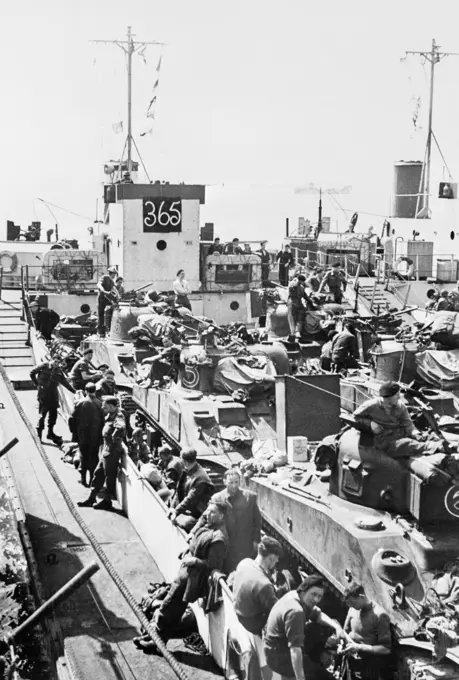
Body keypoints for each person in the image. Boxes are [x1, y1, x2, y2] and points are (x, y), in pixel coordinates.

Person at [134, 499, 229, 651]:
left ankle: (157, 642)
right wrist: (188, 550)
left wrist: (194, 560)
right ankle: (152, 635)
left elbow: (213, 565)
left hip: (192, 580)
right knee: (167, 604)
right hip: (184, 574)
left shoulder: (219, 538)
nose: (207, 513)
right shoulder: (207, 525)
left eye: (212, 512)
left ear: (221, 516)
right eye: (208, 509)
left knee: (172, 609)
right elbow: (198, 542)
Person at [264, 575, 347, 680]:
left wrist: (337, 627)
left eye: (320, 596)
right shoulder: (295, 612)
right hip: (280, 657)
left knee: (328, 626)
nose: (316, 599)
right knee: (319, 675)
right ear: (303, 591)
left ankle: (317, 655)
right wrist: (301, 677)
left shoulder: (295, 595)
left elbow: (317, 614)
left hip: (276, 647)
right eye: (314, 594)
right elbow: (295, 650)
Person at [191, 468, 261, 574]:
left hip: (244, 543)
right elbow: (205, 516)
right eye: (231, 482)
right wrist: (192, 532)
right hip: (225, 542)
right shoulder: (217, 498)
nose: (234, 485)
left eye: (236, 482)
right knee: (226, 569)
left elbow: (257, 521)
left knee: (243, 570)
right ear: (224, 481)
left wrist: (256, 540)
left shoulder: (250, 497)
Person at [233, 537, 283, 680]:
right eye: (275, 561)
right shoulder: (264, 584)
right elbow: (275, 613)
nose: (276, 564)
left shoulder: (244, 563)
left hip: (239, 612)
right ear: (270, 558)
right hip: (253, 625)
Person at [353, 380, 445, 459]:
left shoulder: (400, 406)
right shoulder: (371, 405)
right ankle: (434, 447)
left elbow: (408, 425)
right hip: (385, 440)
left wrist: (416, 433)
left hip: (400, 434)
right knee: (407, 444)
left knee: (428, 436)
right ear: (387, 397)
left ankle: (445, 445)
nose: (399, 396)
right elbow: (355, 417)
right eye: (396, 395)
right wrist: (371, 423)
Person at [77, 396, 127, 511]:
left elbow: (121, 427)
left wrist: (114, 437)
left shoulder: (118, 416)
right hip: (106, 450)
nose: (103, 407)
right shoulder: (110, 415)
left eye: (105, 405)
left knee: (109, 477)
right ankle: (92, 498)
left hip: (112, 452)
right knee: (98, 473)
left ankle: (107, 501)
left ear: (111, 406)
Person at [342, 583, 392, 680]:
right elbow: (345, 631)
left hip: (369, 662)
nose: (351, 606)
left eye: (353, 603)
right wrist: (343, 642)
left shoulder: (379, 615)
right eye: (349, 604)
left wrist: (359, 647)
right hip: (352, 658)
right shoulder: (352, 609)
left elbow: (386, 649)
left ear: (362, 596)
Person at [30, 358, 76, 443]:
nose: (56, 363)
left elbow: (65, 382)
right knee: (42, 415)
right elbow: (32, 373)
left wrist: (74, 391)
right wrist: (38, 384)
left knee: (53, 415)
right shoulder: (44, 366)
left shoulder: (58, 371)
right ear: (52, 360)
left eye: (58, 362)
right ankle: (39, 435)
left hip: (53, 396)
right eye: (55, 361)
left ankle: (50, 433)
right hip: (43, 395)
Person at [169, 448, 215, 531]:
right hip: (187, 508)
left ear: (185, 461)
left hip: (196, 513)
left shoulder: (201, 478)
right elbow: (179, 489)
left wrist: (176, 511)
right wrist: (173, 507)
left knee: (181, 523)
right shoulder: (188, 469)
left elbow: (190, 498)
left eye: (181, 458)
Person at [69, 382, 104, 486]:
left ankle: (83, 479)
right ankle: (93, 480)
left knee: (83, 457)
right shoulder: (100, 404)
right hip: (96, 437)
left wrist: (74, 434)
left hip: (82, 436)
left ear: (85, 391)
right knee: (94, 457)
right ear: (95, 391)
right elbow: (103, 421)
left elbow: (72, 419)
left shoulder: (79, 403)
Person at [97, 266, 119, 336]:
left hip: (108, 299)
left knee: (111, 312)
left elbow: (114, 289)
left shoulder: (112, 281)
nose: (114, 276)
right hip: (102, 298)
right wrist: (103, 291)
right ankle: (101, 330)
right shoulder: (105, 277)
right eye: (113, 274)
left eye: (115, 274)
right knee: (101, 314)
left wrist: (118, 296)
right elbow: (99, 284)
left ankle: (109, 328)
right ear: (110, 273)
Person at [288, 275, 308, 340]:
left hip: (294, 302)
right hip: (295, 302)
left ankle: (294, 332)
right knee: (296, 318)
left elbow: (304, 295)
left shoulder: (292, 283)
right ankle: (295, 332)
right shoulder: (296, 285)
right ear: (301, 281)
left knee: (294, 318)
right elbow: (304, 295)